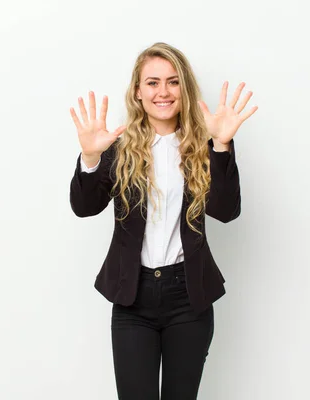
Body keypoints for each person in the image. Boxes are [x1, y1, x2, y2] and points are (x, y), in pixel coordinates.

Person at [69, 42, 258, 400]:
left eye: (172, 82)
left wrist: (221, 146)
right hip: (133, 299)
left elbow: (226, 211)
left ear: (184, 90)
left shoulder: (203, 146)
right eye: (152, 82)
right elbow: (85, 206)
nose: (163, 92)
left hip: (187, 297)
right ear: (138, 92)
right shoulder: (120, 149)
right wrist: (90, 157)